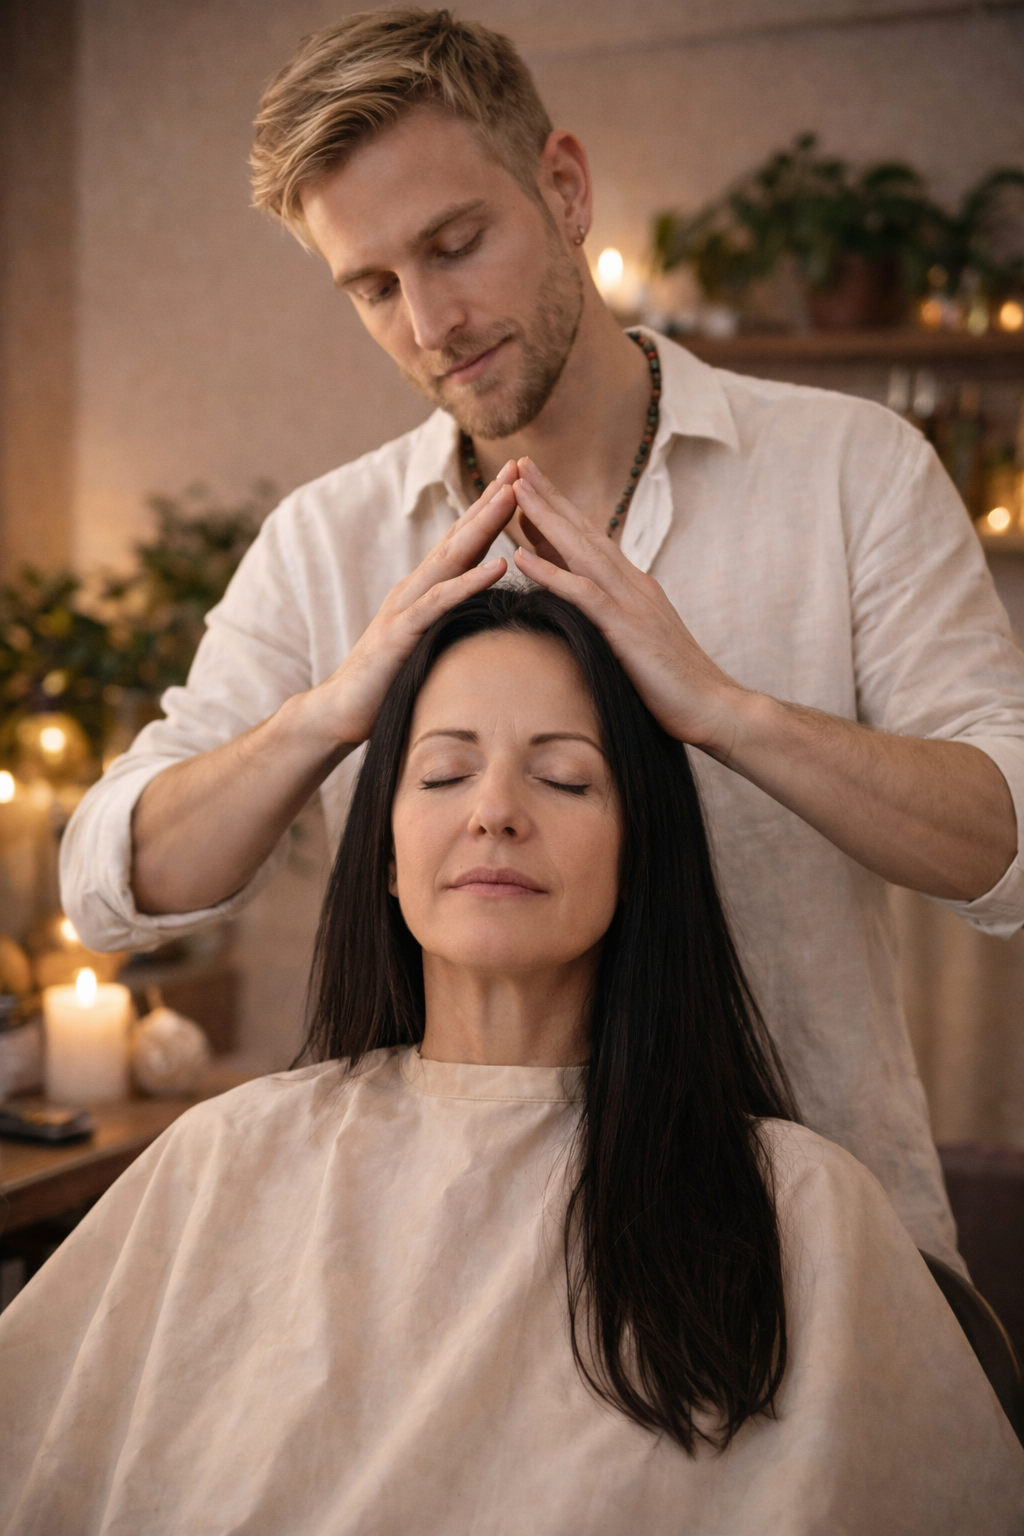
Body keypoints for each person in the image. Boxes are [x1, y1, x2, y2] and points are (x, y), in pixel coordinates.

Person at [61, 9, 1024, 1272]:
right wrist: (329, 711)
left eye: (457, 245)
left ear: (563, 187)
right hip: (452, 1273)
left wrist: (726, 711)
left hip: (817, 1264)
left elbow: (1005, 836)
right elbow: (108, 884)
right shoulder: (325, 541)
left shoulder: (851, 475)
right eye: (371, 286)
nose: (429, 320)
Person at [5, 587, 1023, 1533]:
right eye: (444, 773)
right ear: (389, 862)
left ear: (638, 856)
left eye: (565, 776)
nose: (493, 810)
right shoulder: (229, 1156)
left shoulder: (800, 1209)